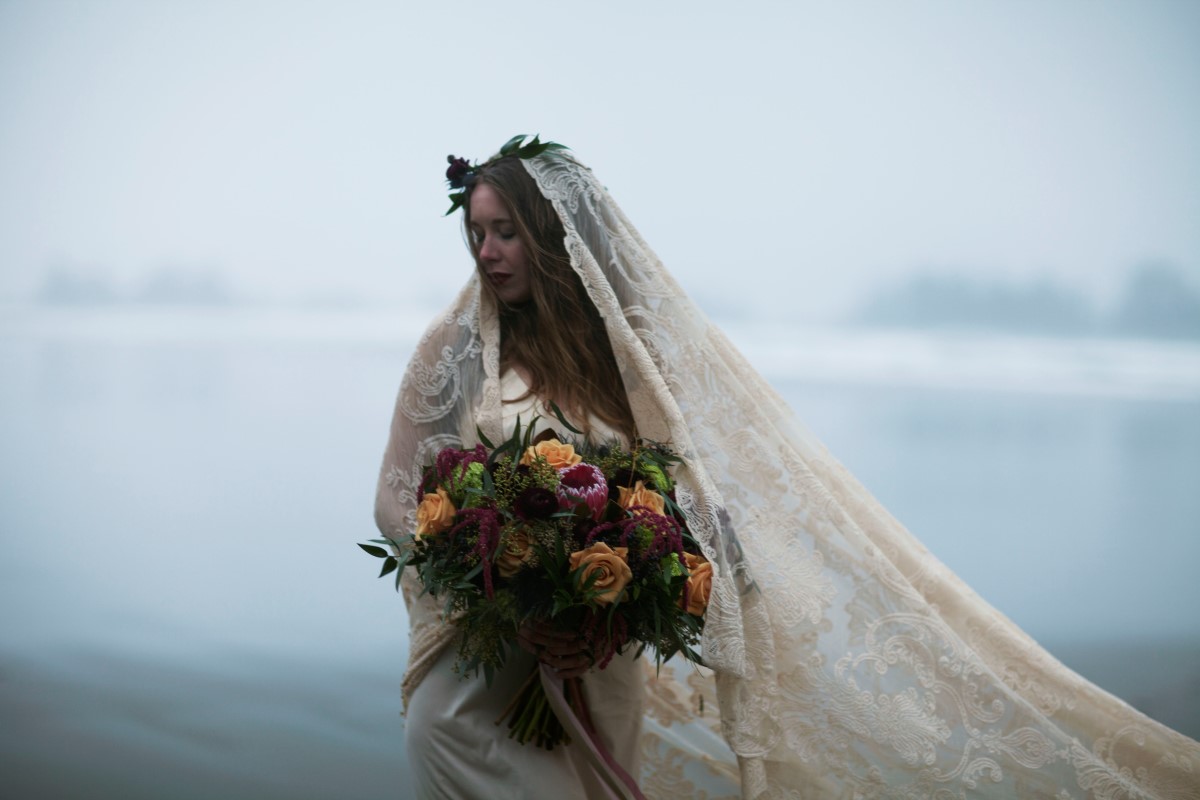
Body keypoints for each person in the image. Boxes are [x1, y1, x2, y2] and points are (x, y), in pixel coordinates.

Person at [375, 138, 1200, 799]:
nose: (486, 252)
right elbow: (393, 500)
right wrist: (506, 590)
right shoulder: (455, 350)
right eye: (475, 233)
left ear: (553, 235)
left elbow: (688, 501)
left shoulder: (631, 356)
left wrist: (616, 596)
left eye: (504, 231)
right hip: (479, 683)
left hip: (597, 660)